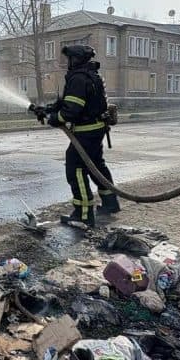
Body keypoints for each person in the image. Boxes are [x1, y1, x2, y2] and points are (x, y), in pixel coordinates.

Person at [47, 44, 120, 226]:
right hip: (96, 129)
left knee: (76, 167)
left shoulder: (78, 78)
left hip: (86, 131)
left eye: (69, 59)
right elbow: (70, 101)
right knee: (97, 165)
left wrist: (55, 118)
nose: (66, 62)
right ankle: (110, 203)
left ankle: (83, 213)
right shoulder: (90, 74)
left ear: (76, 59)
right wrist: (51, 109)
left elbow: (71, 110)